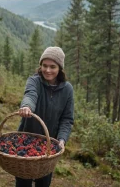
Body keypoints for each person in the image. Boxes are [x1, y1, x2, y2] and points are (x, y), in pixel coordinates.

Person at [16, 46, 74, 187]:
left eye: (52, 66)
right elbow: (30, 94)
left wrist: (62, 138)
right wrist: (27, 106)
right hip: (26, 141)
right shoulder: (34, 81)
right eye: (44, 66)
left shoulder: (67, 89)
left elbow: (67, 119)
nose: (48, 70)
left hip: (49, 145)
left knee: (44, 182)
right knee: (23, 181)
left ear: (60, 68)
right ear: (40, 66)